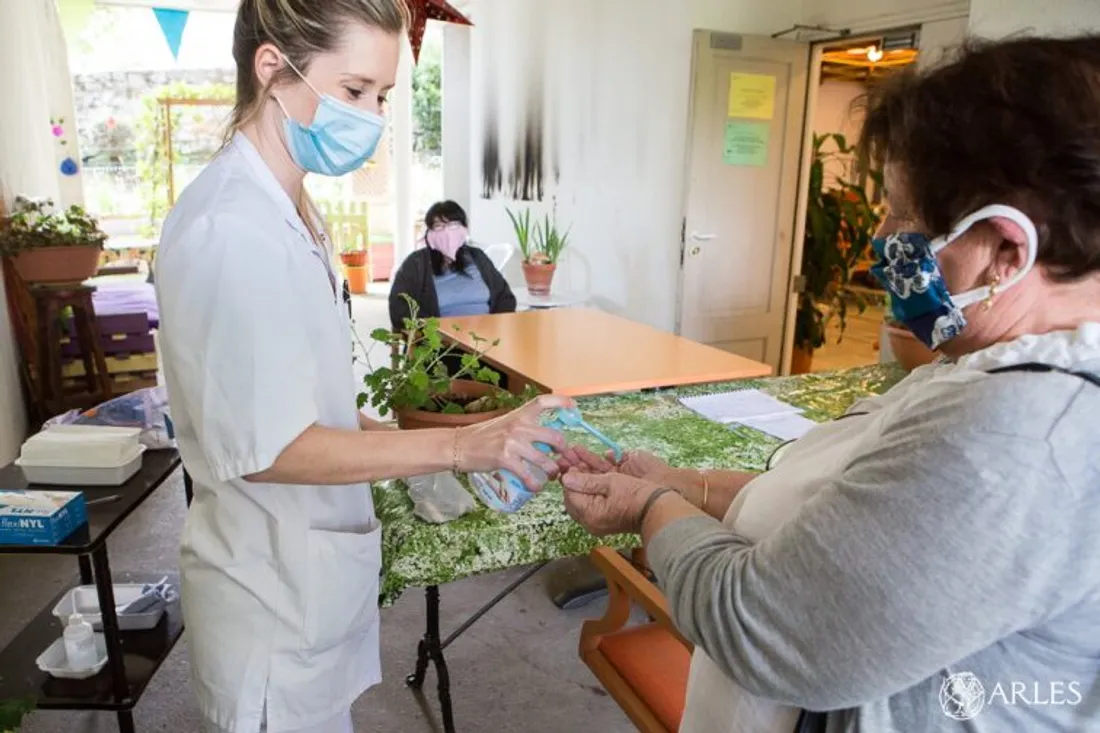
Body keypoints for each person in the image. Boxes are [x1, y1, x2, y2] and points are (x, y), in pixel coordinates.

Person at [559, 35, 1100, 732]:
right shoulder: (988, 368)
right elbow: (842, 518)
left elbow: (761, 627)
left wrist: (651, 507)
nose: (880, 241)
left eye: (902, 215)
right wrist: (685, 482)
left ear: (1005, 248)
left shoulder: (1021, 437)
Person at [154, 3, 570, 732]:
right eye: (354, 92)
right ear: (272, 68)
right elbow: (270, 447)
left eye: (382, 96)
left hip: (307, 582)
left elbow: (310, 402)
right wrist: (460, 442)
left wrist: (442, 450)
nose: (373, 118)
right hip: (270, 605)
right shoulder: (232, 230)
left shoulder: (289, 208)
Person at [388, 200, 516, 331]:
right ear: (429, 233)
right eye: (439, 226)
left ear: (465, 229)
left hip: (486, 339)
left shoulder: (477, 256)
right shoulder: (416, 264)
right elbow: (399, 309)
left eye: (454, 225)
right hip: (443, 343)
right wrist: (434, 332)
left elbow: (505, 297)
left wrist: (496, 327)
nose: (447, 233)